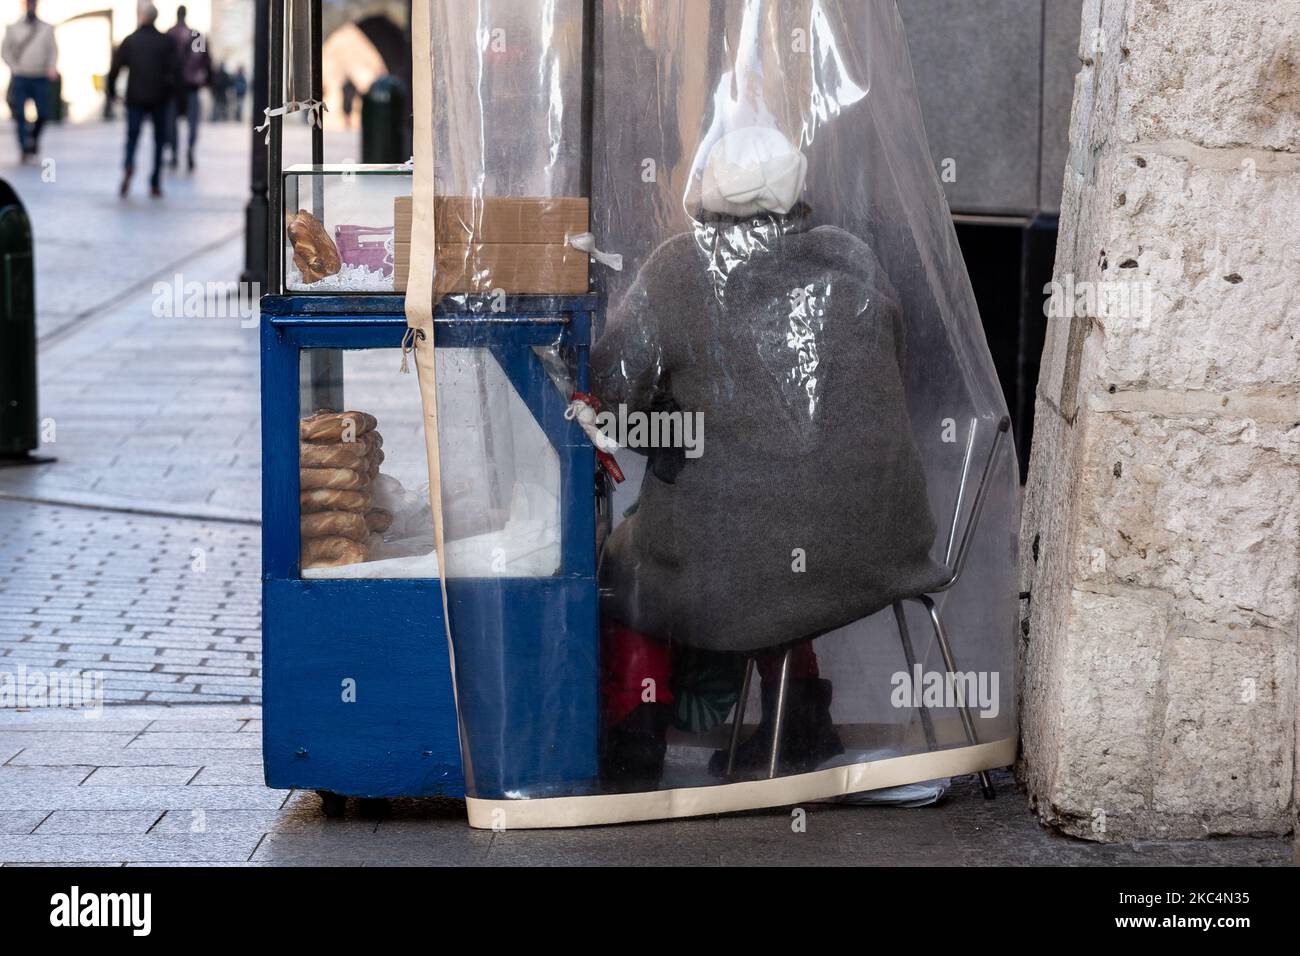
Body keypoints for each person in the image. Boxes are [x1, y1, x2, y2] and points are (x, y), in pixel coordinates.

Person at [590, 126, 944, 788]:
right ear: (801, 201)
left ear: (707, 202)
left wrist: (668, 430)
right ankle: (801, 722)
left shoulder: (678, 266)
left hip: (749, 556)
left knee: (627, 559)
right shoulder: (853, 256)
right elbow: (885, 379)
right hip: (879, 548)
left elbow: (608, 395)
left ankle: (636, 735)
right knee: (781, 519)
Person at [107, 3, 178, 198]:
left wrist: (112, 92)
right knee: (158, 141)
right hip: (159, 98)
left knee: (132, 137)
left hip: (135, 97)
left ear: (141, 17)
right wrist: (171, 94)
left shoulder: (131, 40)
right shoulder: (166, 42)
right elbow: (175, 71)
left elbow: (115, 69)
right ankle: (155, 182)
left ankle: (129, 165)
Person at [2, 0, 57, 162]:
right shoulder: (13, 28)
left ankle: (32, 139)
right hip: (21, 76)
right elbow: (5, 51)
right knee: (19, 114)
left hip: (40, 76)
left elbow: (53, 50)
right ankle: (24, 147)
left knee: (44, 113)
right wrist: (14, 67)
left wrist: (51, 67)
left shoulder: (47, 28)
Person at [165, 4, 209, 170]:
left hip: (174, 87)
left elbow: (164, 61)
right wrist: (206, 79)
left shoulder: (169, 34)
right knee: (192, 122)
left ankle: (174, 154)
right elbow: (205, 60)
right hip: (192, 86)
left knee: (172, 122)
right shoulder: (196, 35)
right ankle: (190, 150)